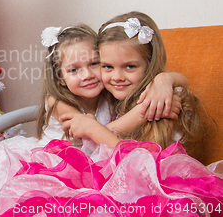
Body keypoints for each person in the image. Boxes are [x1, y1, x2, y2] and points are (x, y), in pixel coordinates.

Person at [0, 17, 223, 216]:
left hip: (95, 166)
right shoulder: (58, 102)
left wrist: (165, 79)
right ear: (60, 76)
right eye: (74, 69)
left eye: (96, 64)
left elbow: (111, 132)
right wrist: (97, 124)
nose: (90, 75)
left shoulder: (115, 96)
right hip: (49, 164)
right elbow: (99, 135)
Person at [61, 11, 209, 160]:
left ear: (150, 64)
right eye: (107, 66)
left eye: (130, 67)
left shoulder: (160, 100)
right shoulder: (112, 98)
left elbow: (141, 165)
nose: (117, 77)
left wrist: (93, 129)